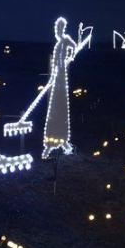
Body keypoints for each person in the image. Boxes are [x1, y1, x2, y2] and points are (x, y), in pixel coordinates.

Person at [42, 17, 80, 159]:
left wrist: (70, 57)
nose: (57, 31)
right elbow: (55, 63)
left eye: (59, 29)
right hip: (56, 78)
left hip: (61, 79)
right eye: (56, 29)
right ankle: (50, 143)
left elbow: (74, 46)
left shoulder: (65, 40)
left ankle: (63, 142)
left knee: (61, 108)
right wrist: (52, 75)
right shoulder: (58, 44)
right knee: (53, 110)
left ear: (62, 29)